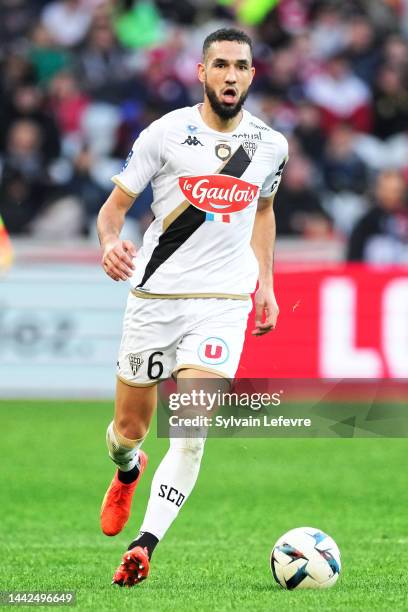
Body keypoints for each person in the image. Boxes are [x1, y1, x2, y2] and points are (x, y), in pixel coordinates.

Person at [96, 27, 288, 587]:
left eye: (241, 66)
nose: (231, 75)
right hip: (156, 298)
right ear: (202, 72)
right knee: (128, 431)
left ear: (253, 75)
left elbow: (266, 211)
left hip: (223, 302)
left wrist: (267, 284)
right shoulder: (166, 134)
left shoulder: (270, 145)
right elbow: (113, 211)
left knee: (192, 427)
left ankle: (144, 544)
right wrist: (111, 243)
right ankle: (128, 471)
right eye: (221, 65)